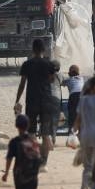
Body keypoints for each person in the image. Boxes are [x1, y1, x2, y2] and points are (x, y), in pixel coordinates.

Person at [14, 39, 58, 168]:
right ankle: (43, 163)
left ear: (32, 49)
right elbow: (52, 80)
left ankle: (35, 158)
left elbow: (22, 84)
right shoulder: (49, 64)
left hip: (32, 101)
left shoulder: (27, 64)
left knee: (31, 133)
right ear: (43, 49)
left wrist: (17, 100)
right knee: (45, 134)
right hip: (46, 101)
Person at [2, 114, 41, 189]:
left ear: (16, 126)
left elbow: (9, 158)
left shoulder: (14, 142)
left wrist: (6, 173)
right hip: (33, 173)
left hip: (19, 173)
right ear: (28, 125)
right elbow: (38, 158)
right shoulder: (34, 141)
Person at [62, 65, 83, 131]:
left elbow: (61, 83)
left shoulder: (69, 79)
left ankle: (71, 129)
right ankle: (80, 129)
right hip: (82, 95)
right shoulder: (81, 78)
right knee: (80, 113)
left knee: (72, 113)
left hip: (74, 95)